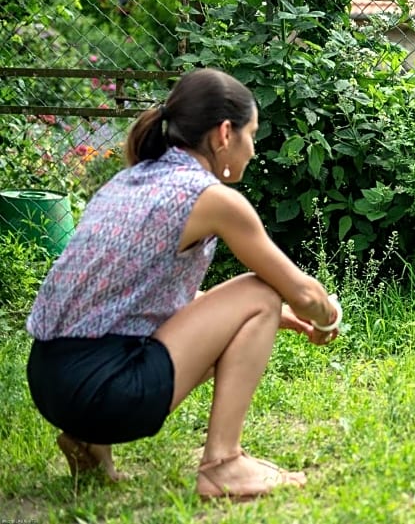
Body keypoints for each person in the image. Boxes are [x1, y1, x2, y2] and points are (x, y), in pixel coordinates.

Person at [25, 68, 340, 500]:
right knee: (261, 290)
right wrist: (327, 315)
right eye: (252, 134)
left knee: (262, 304)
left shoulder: (133, 178)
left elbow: (140, 297)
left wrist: (276, 321)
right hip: (101, 392)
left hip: (48, 379)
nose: (252, 149)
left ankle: (87, 441)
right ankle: (223, 464)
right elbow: (303, 293)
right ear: (224, 134)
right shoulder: (211, 199)